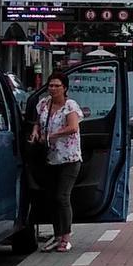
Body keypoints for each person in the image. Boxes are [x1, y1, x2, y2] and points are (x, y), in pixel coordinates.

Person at [30, 72, 84, 252]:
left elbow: (73, 127)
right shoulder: (44, 104)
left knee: (62, 197)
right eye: (50, 85)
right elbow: (38, 122)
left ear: (65, 88)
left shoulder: (70, 106)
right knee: (52, 198)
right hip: (50, 157)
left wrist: (51, 135)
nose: (52, 89)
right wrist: (36, 131)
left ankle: (66, 237)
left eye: (56, 86)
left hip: (69, 158)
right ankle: (57, 234)